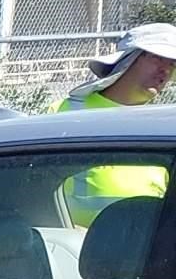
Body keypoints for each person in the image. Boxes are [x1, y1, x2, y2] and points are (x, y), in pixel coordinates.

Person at [53, 22, 176, 223]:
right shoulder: (65, 113)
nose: (165, 70)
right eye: (157, 58)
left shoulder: (163, 125)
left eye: (172, 64)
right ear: (129, 60)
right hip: (75, 249)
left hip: (148, 248)